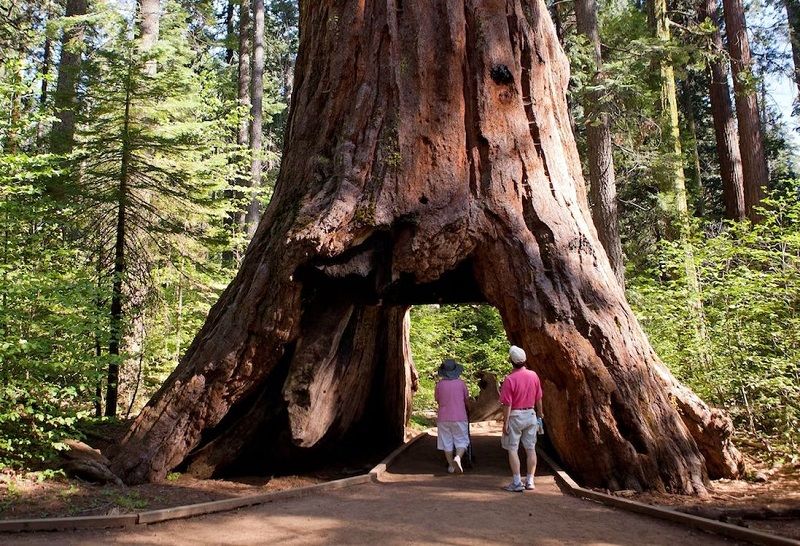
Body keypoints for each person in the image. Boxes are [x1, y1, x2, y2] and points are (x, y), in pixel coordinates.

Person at [499, 345, 544, 492]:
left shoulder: (509, 379)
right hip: (530, 414)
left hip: (515, 416)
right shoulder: (534, 375)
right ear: (525, 360)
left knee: (512, 449)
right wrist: (540, 414)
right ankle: (530, 481)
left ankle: (517, 482)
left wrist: (505, 422)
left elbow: (507, 403)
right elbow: (539, 398)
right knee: (531, 448)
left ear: (511, 361)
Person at [434, 358, 470, 474]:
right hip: (460, 416)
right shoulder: (461, 384)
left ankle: (451, 466)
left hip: (443, 418)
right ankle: (458, 457)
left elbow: (437, 400)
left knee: (446, 442)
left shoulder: (439, 385)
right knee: (461, 440)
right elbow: (466, 400)